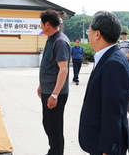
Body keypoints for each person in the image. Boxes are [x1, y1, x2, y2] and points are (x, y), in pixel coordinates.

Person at [79, 11, 129, 155]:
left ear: (97, 34)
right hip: (98, 141)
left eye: (88, 30)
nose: (88, 34)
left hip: (105, 147)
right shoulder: (107, 57)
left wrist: (107, 150)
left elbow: (112, 111)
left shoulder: (113, 63)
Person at [37, 9, 71, 155]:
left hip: (55, 93)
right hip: (47, 90)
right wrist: (41, 85)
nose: (40, 26)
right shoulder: (51, 38)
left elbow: (63, 70)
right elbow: (50, 66)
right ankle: (54, 151)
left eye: (41, 24)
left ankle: (57, 152)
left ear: (47, 24)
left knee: (55, 127)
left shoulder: (60, 41)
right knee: (48, 124)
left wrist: (55, 95)